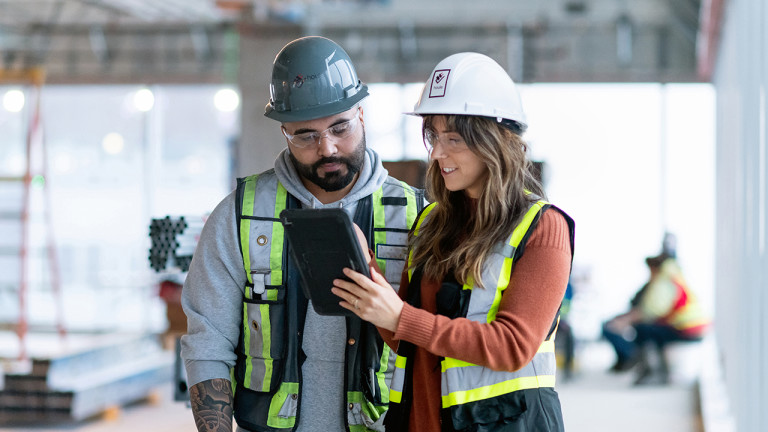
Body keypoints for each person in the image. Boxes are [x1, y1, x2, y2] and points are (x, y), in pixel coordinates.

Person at [180, 36, 425, 432]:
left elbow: (438, 346)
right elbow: (208, 340)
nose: (327, 148)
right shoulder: (241, 215)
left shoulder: (417, 215)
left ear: (361, 114)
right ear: (284, 132)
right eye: (306, 135)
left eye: (339, 127)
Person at [332, 52, 575, 431]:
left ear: (494, 141)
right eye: (434, 136)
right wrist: (371, 282)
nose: (438, 153)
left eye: (454, 139)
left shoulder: (542, 227)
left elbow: (512, 346)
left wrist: (399, 316)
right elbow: (411, 341)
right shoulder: (431, 222)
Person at [603, 251, 709, 385]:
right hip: (690, 327)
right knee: (649, 331)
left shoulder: (664, 282)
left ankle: (650, 369)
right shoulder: (675, 277)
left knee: (644, 331)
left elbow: (653, 311)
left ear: (655, 268)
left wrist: (627, 321)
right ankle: (648, 366)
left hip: (685, 328)